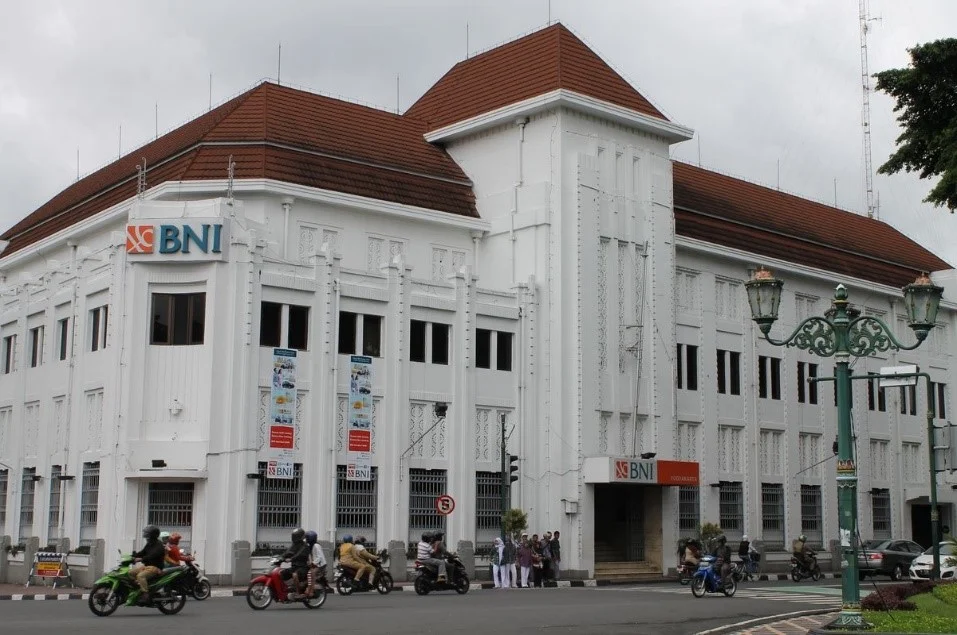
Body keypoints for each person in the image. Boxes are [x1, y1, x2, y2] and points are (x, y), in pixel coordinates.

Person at [130, 524, 166, 604]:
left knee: (140, 576)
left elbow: (152, 555)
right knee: (130, 573)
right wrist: (132, 556)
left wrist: (141, 559)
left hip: (155, 567)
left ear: (153, 535)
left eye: (148, 535)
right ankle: (137, 588)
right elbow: (143, 552)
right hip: (146, 566)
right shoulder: (149, 544)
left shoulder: (159, 545)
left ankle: (145, 594)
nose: (146, 537)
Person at [282, 528, 310, 594]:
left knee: (295, 575)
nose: (294, 537)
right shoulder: (294, 545)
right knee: (281, 574)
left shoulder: (305, 545)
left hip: (303, 567)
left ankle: (298, 592)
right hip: (294, 567)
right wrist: (281, 557)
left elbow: (299, 554)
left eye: (295, 536)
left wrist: (291, 559)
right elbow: (288, 552)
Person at [304, 530, 326, 598]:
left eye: (307, 538)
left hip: (320, 565)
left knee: (311, 573)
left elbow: (320, 557)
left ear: (311, 538)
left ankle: (310, 590)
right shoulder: (310, 545)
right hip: (315, 564)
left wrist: (313, 563)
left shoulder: (316, 545)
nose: (306, 539)